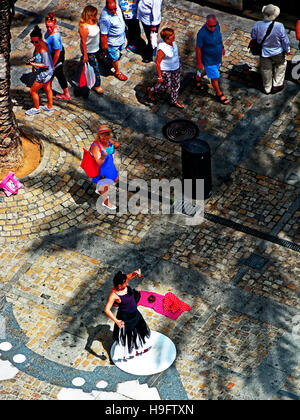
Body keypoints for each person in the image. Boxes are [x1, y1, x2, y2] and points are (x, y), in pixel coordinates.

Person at [104, 269, 151, 360]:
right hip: (126, 318)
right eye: (125, 283)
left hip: (135, 314)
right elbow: (107, 310)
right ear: (119, 285)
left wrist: (136, 273)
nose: (127, 284)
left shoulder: (124, 281)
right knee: (128, 336)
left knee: (138, 333)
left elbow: (130, 275)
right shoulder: (114, 295)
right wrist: (117, 321)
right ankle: (128, 354)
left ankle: (140, 349)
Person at [250, 5, 290, 94]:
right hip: (277, 51)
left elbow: (253, 36)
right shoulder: (279, 26)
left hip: (264, 52)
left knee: (265, 69)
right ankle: (277, 84)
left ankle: (267, 87)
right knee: (281, 65)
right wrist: (287, 49)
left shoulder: (257, 24)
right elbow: (284, 40)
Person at [147, 28, 184, 109]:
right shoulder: (162, 48)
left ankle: (173, 101)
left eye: (173, 34)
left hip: (175, 67)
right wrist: (159, 76)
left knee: (176, 85)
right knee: (166, 86)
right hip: (166, 69)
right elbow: (157, 63)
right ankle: (152, 90)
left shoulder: (173, 42)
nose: (174, 36)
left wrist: (179, 62)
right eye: (171, 36)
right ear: (166, 38)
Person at [195, 14, 228, 105]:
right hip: (208, 59)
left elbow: (219, 38)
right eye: (211, 26)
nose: (213, 28)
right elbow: (198, 49)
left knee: (209, 71)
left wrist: (222, 47)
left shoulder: (217, 26)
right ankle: (219, 93)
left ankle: (197, 78)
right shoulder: (201, 34)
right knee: (215, 77)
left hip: (217, 57)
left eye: (214, 25)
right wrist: (199, 63)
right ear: (206, 23)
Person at [25, 25, 54, 115]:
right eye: (32, 42)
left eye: (36, 42)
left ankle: (37, 109)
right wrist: (33, 63)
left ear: (40, 39)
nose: (34, 44)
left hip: (44, 73)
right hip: (48, 72)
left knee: (33, 90)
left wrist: (33, 64)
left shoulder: (42, 48)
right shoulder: (38, 45)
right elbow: (37, 57)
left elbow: (45, 65)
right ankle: (50, 107)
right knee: (47, 88)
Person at [90, 124, 120, 210]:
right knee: (105, 188)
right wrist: (103, 156)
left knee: (115, 178)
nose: (105, 137)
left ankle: (100, 189)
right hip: (102, 170)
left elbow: (113, 144)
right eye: (103, 135)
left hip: (109, 166)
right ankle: (106, 202)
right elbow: (98, 162)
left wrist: (116, 145)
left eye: (107, 135)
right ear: (99, 135)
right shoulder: (95, 146)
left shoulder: (108, 140)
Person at [99, 0, 128, 81]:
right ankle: (117, 72)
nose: (114, 11)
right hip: (113, 43)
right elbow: (103, 35)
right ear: (107, 8)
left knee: (119, 51)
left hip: (121, 38)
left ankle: (103, 55)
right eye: (111, 10)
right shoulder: (105, 19)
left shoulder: (116, 7)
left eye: (115, 9)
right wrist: (105, 47)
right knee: (114, 58)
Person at [44, 13, 71, 100]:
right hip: (53, 55)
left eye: (50, 26)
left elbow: (57, 53)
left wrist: (53, 65)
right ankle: (48, 88)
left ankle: (66, 94)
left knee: (58, 74)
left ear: (54, 24)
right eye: (47, 26)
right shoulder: (55, 28)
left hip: (56, 57)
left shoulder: (54, 37)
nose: (48, 28)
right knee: (55, 73)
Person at [79, 5, 104, 94]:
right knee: (95, 68)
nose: (95, 16)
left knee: (99, 62)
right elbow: (83, 42)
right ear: (88, 15)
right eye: (93, 15)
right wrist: (85, 55)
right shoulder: (84, 27)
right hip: (90, 51)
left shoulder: (94, 21)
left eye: (95, 14)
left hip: (97, 47)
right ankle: (97, 85)